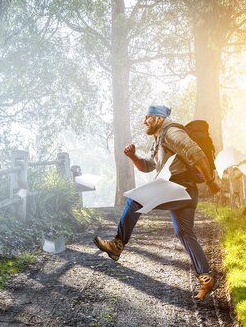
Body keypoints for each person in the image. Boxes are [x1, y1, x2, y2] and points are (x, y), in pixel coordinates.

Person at [93, 104, 221, 300]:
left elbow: (196, 153)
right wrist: (133, 156)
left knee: (135, 200)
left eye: (148, 117)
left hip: (179, 188)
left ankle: (117, 245)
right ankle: (206, 278)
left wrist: (211, 182)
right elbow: (147, 166)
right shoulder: (160, 139)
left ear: (159, 119)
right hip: (183, 192)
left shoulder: (172, 132)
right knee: (185, 233)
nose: (145, 121)